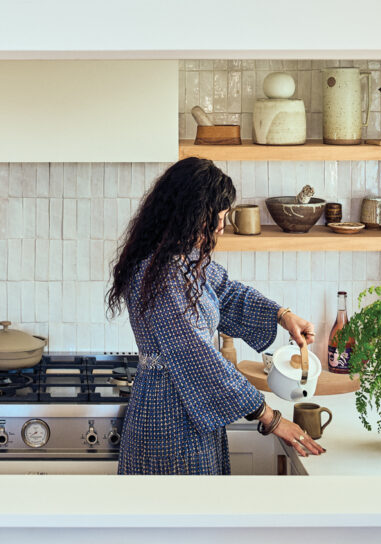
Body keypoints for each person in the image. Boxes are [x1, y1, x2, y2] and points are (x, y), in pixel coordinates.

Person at [108, 157, 326, 475]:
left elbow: (225, 292)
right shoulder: (164, 274)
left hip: (188, 410)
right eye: (217, 219)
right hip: (168, 420)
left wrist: (282, 315)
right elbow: (199, 359)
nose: (222, 228)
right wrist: (271, 418)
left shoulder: (181, 257)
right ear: (190, 215)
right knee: (180, 518)